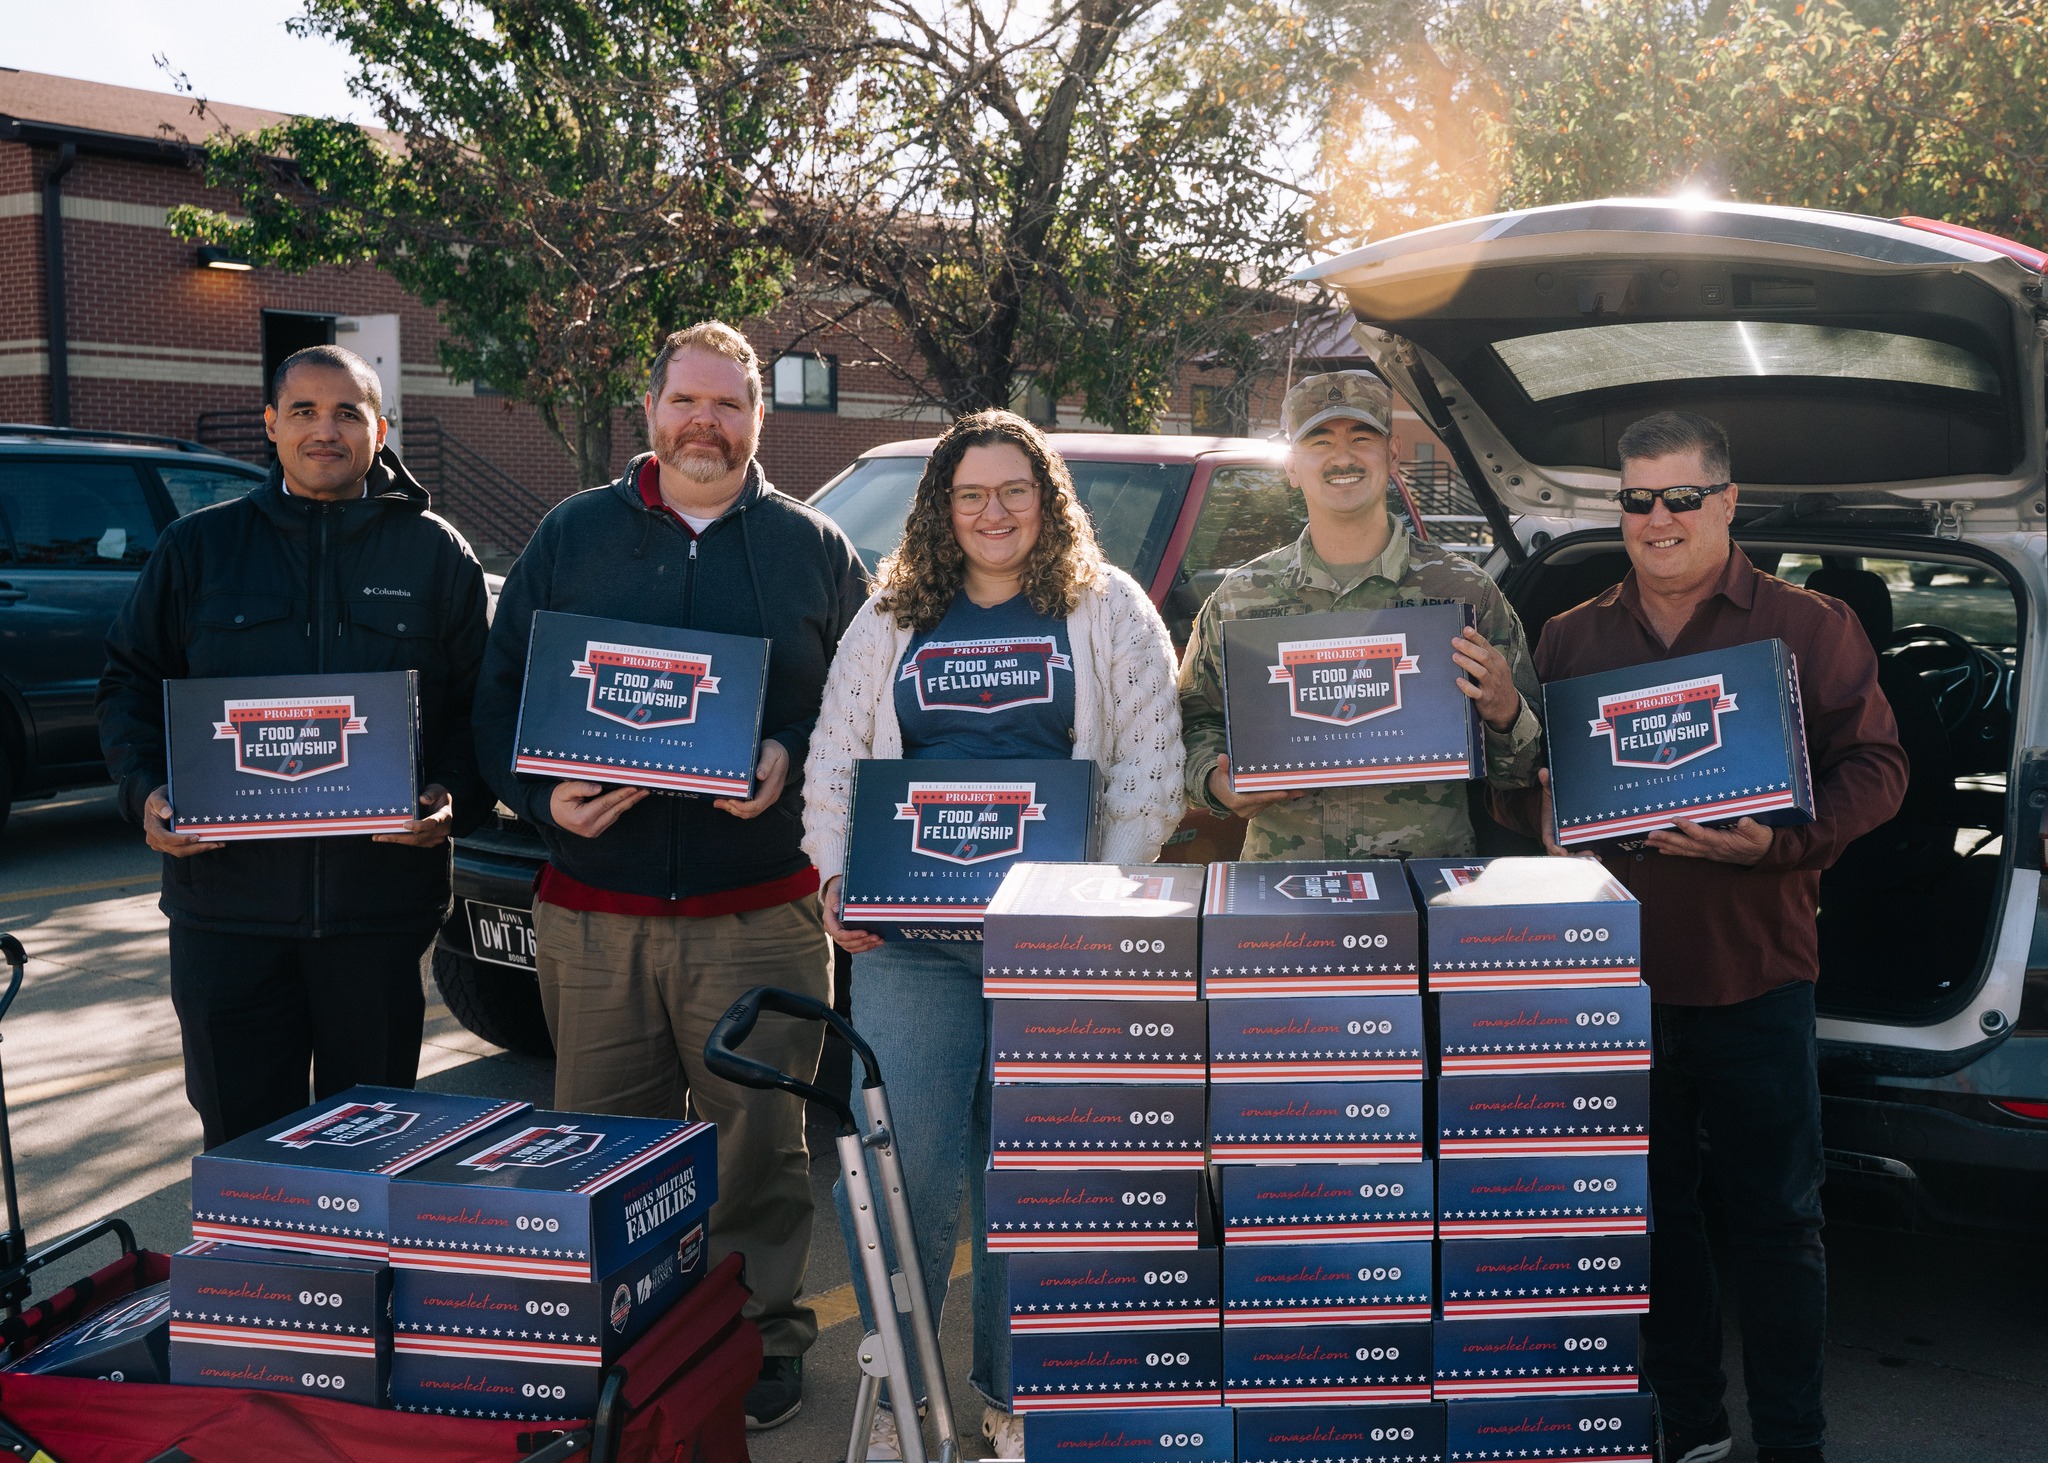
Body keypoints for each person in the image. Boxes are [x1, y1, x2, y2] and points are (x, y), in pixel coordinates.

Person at [470, 321, 867, 1431]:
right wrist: (539, 798)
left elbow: (862, 705)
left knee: (758, 1151)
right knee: (599, 1147)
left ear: (757, 420)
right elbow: (498, 701)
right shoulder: (571, 534)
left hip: (761, 909)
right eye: (686, 402)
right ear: (649, 412)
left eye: (729, 406)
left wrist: (788, 754)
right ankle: (611, 1352)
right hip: (596, 915)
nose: (706, 423)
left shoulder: (815, 548)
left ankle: (759, 1343)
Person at [1491, 410, 1907, 1463]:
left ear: (1726, 502)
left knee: (1777, 1226)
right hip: (1615, 984)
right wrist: (1536, 812)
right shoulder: (1570, 637)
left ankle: (1791, 1439)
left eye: (1680, 497)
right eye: (1636, 499)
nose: (1656, 519)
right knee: (1650, 1221)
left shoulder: (1808, 628)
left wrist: (1779, 841)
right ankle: (1689, 1426)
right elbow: (1533, 798)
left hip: (1754, 974)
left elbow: (1878, 769)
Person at [801, 409, 1185, 1459]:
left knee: (1029, 1176)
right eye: (970, 493)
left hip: (1051, 944)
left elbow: (1152, 772)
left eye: (1013, 489)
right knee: (904, 1176)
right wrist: (835, 878)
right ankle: (904, 1397)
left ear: (1047, 496)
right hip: (911, 944)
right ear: (941, 508)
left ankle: (1014, 1395)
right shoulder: (889, 616)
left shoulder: (1108, 609)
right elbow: (835, 760)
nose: (993, 511)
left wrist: (1085, 903)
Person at [97, 344, 490, 1149]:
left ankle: (360, 1280)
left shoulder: (435, 555)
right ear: (272, 426)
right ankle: (252, 1280)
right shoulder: (198, 550)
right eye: (305, 410)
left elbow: (479, 710)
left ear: (380, 429)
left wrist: (452, 797)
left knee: (370, 1148)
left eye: (348, 411)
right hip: (226, 914)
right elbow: (129, 684)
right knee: (243, 1147)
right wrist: (147, 792)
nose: (326, 429)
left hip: (376, 913)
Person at [1178, 369, 1543, 856]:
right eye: (1320, 440)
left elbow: (1528, 771)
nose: (1342, 457)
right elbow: (1188, 726)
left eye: (1362, 437)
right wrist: (1215, 784)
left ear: (1392, 455)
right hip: (1286, 890)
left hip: (1425, 886)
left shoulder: (1463, 594)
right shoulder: (1240, 600)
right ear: (1291, 466)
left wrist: (1505, 714)